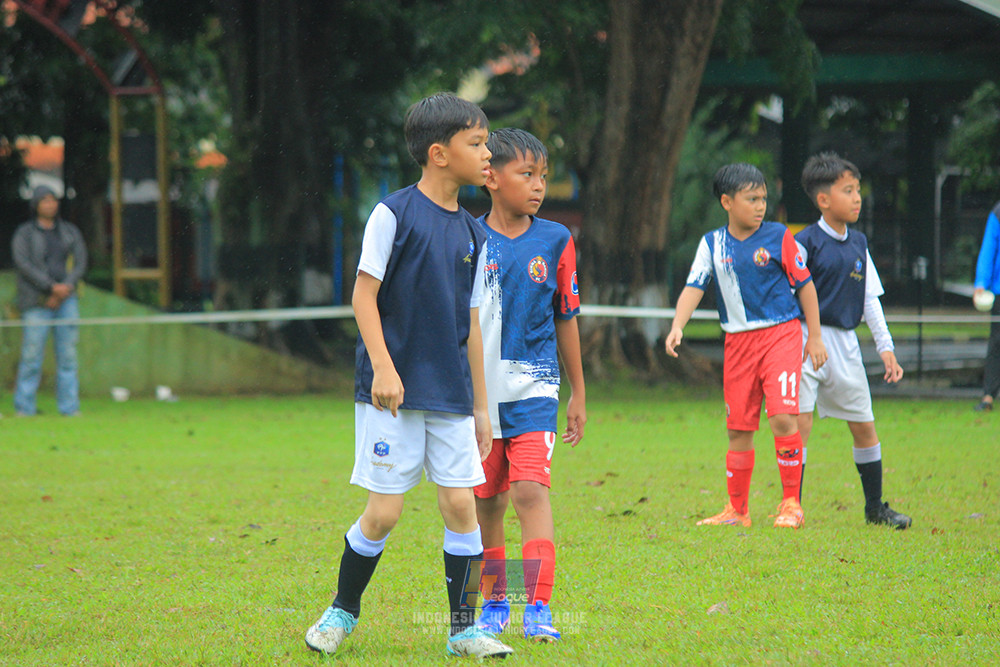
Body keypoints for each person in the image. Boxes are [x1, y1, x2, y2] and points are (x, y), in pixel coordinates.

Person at [303, 93, 513, 659]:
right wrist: (386, 370)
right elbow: (362, 297)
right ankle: (342, 611)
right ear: (440, 154)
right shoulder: (391, 214)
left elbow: (470, 325)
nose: (488, 152)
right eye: (477, 143)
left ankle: (464, 629)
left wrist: (481, 408)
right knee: (384, 512)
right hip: (389, 394)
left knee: (461, 506)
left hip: (451, 394)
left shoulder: (475, 234)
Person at [470, 128, 586, 643]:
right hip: (478, 400)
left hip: (535, 390)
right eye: (527, 174)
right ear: (491, 177)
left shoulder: (557, 240)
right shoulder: (467, 238)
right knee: (487, 502)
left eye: (544, 176)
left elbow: (566, 316)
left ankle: (537, 607)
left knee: (528, 493)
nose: (539, 186)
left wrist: (578, 392)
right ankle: (496, 601)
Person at [665, 163, 827, 529]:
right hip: (737, 343)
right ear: (727, 201)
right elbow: (694, 286)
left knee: (784, 417)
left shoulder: (779, 237)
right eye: (751, 199)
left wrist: (813, 336)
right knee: (738, 429)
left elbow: (806, 286)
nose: (760, 206)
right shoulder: (712, 244)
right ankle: (737, 511)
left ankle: (791, 504)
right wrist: (678, 325)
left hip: (780, 336)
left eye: (763, 199)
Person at [795, 152, 912, 530]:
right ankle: (790, 506)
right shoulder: (804, 243)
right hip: (805, 341)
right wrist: (807, 338)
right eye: (848, 190)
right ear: (823, 200)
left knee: (864, 426)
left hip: (844, 345)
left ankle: (875, 508)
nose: (858, 197)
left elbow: (870, 302)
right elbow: (788, 295)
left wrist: (886, 348)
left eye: (858, 190)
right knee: (799, 423)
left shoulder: (859, 244)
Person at [12, 185, 87, 417]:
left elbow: (81, 262)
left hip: (67, 300)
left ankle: (69, 408)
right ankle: (25, 408)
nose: (50, 204)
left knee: (68, 357)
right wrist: (50, 288)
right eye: (44, 200)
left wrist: (65, 288)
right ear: (36, 205)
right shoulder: (24, 234)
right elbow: (23, 265)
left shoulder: (69, 231)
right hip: (36, 302)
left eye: (53, 200)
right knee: (32, 356)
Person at [973, 200, 1000, 412]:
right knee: (997, 344)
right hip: (999, 291)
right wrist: (981, 283)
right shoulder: (998, 213)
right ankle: (989, 396)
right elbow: (989, 248)